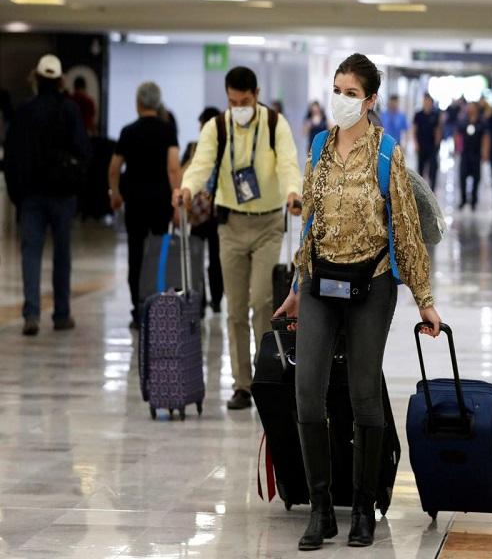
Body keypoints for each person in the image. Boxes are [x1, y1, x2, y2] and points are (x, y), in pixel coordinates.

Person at [273, 53, 441, 551]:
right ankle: (321, 509)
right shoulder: (319, 146)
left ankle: (363, 508)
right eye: (337, 90)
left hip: (372, 283)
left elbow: (406, 229)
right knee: (307, 391)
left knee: (364, 392)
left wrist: (424, 299)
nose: (341, 100)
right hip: (320, 282)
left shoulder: (388, 153)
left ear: (369, 100)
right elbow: (310, 221)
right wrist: (296, 288)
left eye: (351, 93)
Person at [174, 66, 302, 410]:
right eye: (233, 102)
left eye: (244, 101)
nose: (239, 107)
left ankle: (265, 378)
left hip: (268, 225)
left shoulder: (274, 124)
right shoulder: (217, 127)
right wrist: (187, 188)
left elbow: (288, 164)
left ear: (256, 95)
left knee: (261, 300)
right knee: (234, 309)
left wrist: (293, 192)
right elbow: (201, 164)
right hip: (229, 225)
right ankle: (242, 385)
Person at [3, 54, 90, 336]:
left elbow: (12, 155)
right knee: (62, 255)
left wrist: (17, 194)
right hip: (63, 195)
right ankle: (61, 314)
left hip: (31, 195)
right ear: (61, 80)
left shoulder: (25, 111)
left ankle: (31, 314)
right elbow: (83, 151)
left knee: (31, 253)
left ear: (37, 79)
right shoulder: (70, 110)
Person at [108, 82, 181, 329]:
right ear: (157, 103)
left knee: (136, 254)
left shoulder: (128, 131)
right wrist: (177, 202)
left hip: (135, 202)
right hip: (161, 202)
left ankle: (138, 310)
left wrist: (116, 194)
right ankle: (157, 306)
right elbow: (173, 168)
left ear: (138, 103)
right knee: (159, 254)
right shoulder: (168, 130)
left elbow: (114, 168)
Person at [182, 106, 224, 313]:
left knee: (213, 259)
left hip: (213, 212)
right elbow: (184, 174)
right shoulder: (194, 148)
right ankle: (202, 299)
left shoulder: (224, 150)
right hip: (201, 212)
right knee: (200, 257)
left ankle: (214, 299)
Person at [457, 102, 489, 211]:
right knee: (462, 177)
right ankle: (463, 199)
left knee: (476, 178)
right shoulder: (463, 121)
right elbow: (458, 134)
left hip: (476, 154)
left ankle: (474, 201)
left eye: (472, 107)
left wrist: (485, 151)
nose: (470, 109)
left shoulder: (482, 122)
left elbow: (485, 137)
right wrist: (457, 147)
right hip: (465, 154)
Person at [412, 93, 442, 190]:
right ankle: (421, 189)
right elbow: (414, 130)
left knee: (433, 169)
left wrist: (437, 145)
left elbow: (438, 130)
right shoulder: (418, 115)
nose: (426, 103)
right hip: (421, 146)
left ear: (431, 102)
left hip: (432, 146)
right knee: (420, 169)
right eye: (425, 100)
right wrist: (416, 144)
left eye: (428, 101)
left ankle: (432, 189)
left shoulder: (435, 115)